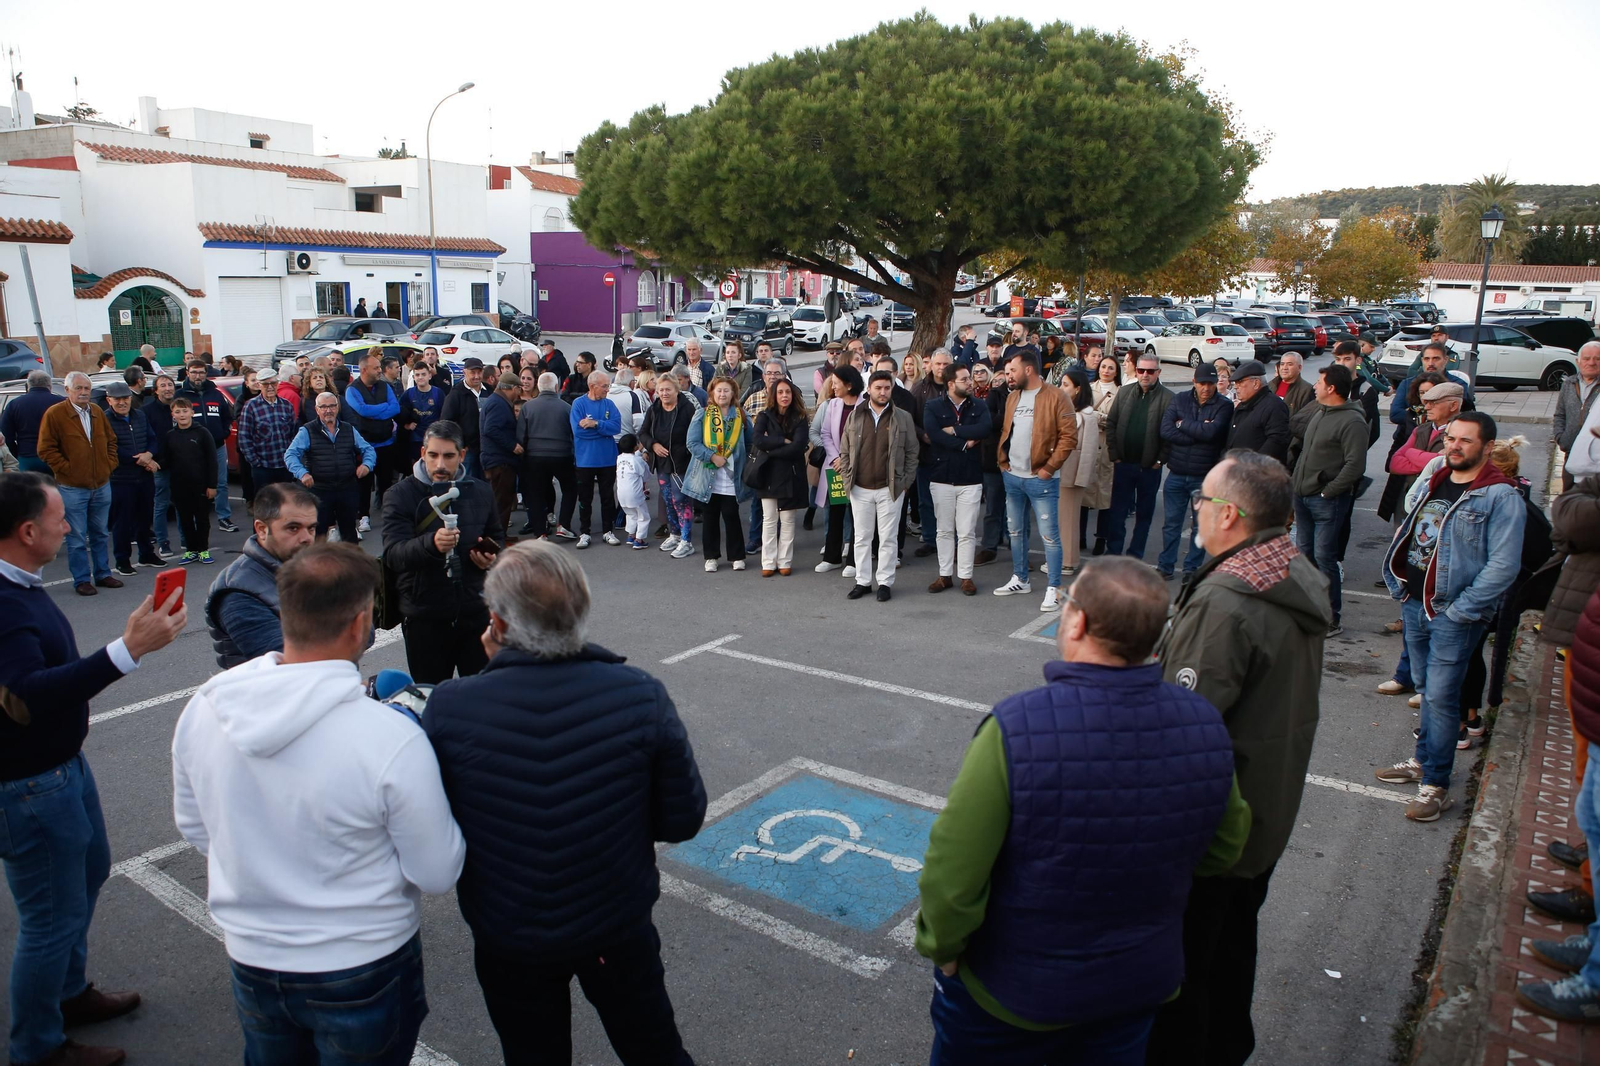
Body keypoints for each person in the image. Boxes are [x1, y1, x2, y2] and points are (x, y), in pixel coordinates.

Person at [918, 557, 1246, 1066]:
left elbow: (952, 872)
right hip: (1135, 987)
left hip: (1013, 994)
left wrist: (944, 948)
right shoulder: (1204, 722)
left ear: (1079, 622)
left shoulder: (1016, 727)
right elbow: (1223, 846)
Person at [173, 542, 464, 1064]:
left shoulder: (206, 705)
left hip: (251, 953)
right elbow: (437, 872)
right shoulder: (390, 737)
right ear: (359, 626)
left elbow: (195, 827)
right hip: (363, 959)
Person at [421, 540, 705, 1064]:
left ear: (498, 625)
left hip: (510, 932)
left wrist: (495, 671)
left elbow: (440, 828)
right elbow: (682, 818)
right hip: (615, 922)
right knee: (654, 1048)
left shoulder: (451, 707)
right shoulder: (638, 694)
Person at [1147, 450, 1330, 1066]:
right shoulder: (1284, 565)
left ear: (1228, 515)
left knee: (1186, 972)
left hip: (1217, 827)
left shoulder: (1227, 600)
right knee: (1230, 953)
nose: (1195, 507)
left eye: (1202, 498)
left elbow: (1181, 727)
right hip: (1264, 809)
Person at [0, 471, 187, 1066]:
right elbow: (28, 693)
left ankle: (68, 993)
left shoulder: (20, 583)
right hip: (30, 786)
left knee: (86, 877)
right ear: (28, 531)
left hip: (60, 768)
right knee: (49, 919)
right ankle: (39, 1046)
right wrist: (127, 651)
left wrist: (126, 642)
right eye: (59, 517)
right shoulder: (3, 605)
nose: (69, 524)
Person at [1373, 411, 1526, 820]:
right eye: (1450, 439)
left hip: (1452, 614)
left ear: (1487, 448)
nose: (1453, 446)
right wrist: (1403, 586)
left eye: (1465, 441)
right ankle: (1424, 760)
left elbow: (1503, 566)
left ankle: (1436, 785)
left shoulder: (1500, 495)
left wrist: (1461, 611)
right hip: (1415, 602)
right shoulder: (1440, 479)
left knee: (1441, 699)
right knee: (1425, 688)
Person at [1519, 471, 1600, 980]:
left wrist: (1583, 489)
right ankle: (1589, 865)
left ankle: (1593, 966)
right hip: (1586, 657)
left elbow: (1573, 517)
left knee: (1593, 790)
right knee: (1588, 794)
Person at [382, 420, 503, 684]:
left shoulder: (481, 491)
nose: (440, 465)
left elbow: (497, 536)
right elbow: (393, 555)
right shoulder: (400, 495)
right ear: (422, 453)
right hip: (425, 617)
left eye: (448, 456)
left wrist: (490, 557)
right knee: (433, 697)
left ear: (462, 455)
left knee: (482, 696)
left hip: (475, 613)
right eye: (433, 455)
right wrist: (432, 544)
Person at [1289, 364, 1368, 637]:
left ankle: (1331, 618)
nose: (1314, 386)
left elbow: (1355, 465)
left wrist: (1329, 491)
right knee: (1304, 556)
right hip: (1303, 496)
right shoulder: (1320, 412)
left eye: (1319, 382)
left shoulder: (1352, 421)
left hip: (1326, 502)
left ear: (1331, 388)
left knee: (1324, 558)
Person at [204, 482, 319, 669]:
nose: (307, 538)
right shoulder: (236, 592)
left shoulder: (307, 568)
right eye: (293, 528)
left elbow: (364, 632)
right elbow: (291, 665)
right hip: (267, 695)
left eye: (311, 528)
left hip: (315, 690)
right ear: (262, 529)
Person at [37, 372, 122, 597]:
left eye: (86, 388)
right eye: (78, 388)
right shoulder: (55, 414)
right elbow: (45, 449)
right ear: (67, 390)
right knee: (76, 537)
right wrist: (68, 469)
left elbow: (111, 441)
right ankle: (82, 579)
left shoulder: (96, 412)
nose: (84, 392)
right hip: (72, 487)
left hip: (101, 484)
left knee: (101, 533)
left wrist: (109, 464)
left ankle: (103, 573)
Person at [838, 370, 919, 601]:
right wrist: (847, 480)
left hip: (890, 488)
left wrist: (905, 483)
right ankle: (862, 581)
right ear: (869, 389)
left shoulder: (902, 417)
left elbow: (913, 452)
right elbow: (845, 450)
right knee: (862, 537)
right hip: (860, 488)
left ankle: (884, 582)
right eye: (878, 388)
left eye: (887, 388)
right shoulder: (856, 415)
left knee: (888, 538)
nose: (883, 392)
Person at [1157, 362, 1234, 581]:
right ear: (1194, 382)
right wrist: (1199, 431)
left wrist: (1183, 424)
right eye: (1202, 383)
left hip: (1205, 476)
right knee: (1171, 523)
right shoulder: (1179, 399)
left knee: (1201, 526)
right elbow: (1166, 430)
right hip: (1177, 473)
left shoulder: (1224, 405)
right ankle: (1166, 565)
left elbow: (1212, 433)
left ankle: (1192, 568)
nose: (1207, 388)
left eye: (1210, 384)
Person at [924, 362, 991, 596]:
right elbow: (933, 434)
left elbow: (985, 428)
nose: (970, 382)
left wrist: (954, 430)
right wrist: (964, 443)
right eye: (965, 380)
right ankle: (944, 576)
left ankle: (965, 577)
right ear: (951, 384)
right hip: (941, 476)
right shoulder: (933, 406)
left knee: (966, 531)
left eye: (970, 379)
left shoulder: (979, 406)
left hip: (970, 478)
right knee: (943, 530)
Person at [1101, 352, 1172, 560]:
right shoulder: (1124, 392)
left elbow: (1169, 436)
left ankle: (1135, 554)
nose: (1145, 375)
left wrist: (1160, 461)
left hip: (1149, 468)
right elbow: (1112, 424)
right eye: (1141, 370)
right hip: (1123, 464)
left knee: (1144, 515)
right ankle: (1113, 551)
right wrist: (1114, 454)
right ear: (1137, 370)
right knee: (1117, 512)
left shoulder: (1168, 398)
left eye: (1150, 371)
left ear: (1158, 372)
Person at [284, 392, 375, 545]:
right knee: (318, 534)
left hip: (347, 487)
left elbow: (368, 449)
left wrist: (366, 465)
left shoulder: (348, 429)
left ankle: (351, 566)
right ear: (316, 409)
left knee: (349, 533)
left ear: (337, 407)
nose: (328, 410)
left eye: (332, 406)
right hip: (320, 489)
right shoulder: (307, 430)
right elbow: (290, 455)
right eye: (323, 407)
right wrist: (302, 473)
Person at [684, 376, 754, 573]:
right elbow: (692, 443)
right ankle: (711, 556)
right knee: (710, 517)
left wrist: (742, 460)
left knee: (731, 515)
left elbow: (750, 443)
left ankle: (737, 556)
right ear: (712, 393)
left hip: (732, 476)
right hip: (708, 474)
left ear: (733, 394)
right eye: (719, 390)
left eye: (726, 391)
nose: (722, 394)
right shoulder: (703, 414)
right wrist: (712, 456)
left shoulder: (741, 415)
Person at [101, 381, 164, 576]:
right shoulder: (104, 420)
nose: (122, 402)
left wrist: (149, 454)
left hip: (143, 478)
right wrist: (143, 461)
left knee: (144, 518)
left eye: (125, 398)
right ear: (108, 400)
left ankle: (146, 554)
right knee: (123, 521)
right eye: (117, 399)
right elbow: (111, 448)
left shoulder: (140, 415)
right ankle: (122, 560)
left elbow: (153, 439)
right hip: (121, 478)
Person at [751, 377, 810, 576]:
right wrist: (782, 440)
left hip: (791, 474)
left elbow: (799, 446)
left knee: (787, 519)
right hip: (768, 474)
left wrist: (772, 447)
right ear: (774, 395)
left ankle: (785, 561)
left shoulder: (800, 417)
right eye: (780, 392)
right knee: (769, 519)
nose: (784, 396)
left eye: (788, 392)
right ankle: (768, 562)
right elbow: (758, 440)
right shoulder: (764, 416)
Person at [814, 365, 865, 576]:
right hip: (835, 468)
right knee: (835, 512)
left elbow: (868, 438)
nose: (832, 387)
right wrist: (836, 457)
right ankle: (832, 557)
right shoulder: (833, 405)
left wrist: (848, 460)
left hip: (859, 469)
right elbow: (825, 434)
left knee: (857, 516)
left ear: (849, 384)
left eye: (836, 383)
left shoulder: (865, 405)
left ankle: (854, 560)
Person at [344, 350, 403, 533]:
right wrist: (382, 409)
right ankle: (364, 516)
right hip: (365, 446)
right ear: (364, 370)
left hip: (386, 443)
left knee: (386, 482)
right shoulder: (352, 390)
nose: (380, 370)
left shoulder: (385, 387)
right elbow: (362, 410)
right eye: (376, 367)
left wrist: (376, 411)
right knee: (364, 484)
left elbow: (395, 408)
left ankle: (388, 514)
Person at [641, 375, 699, 560]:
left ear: (676, 390)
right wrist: (653, 445)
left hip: (682, 462)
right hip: (662, 463)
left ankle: (686, 541)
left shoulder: (687, 408)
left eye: (668, 389)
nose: (664, 393)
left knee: (681, 500)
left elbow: (696, 433)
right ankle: (674, 534)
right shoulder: (654, 409)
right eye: (661, 390)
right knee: (667, 499)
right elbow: (642, 433)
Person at [176, 360, 237, 532]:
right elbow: (175, 420)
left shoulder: (216, 394)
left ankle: (224, 518)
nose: (198, 376)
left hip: (217, 446)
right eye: (194, 372)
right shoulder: (181, 395)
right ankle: (196, 520)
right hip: (192, 450)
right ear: (187, 372)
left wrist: (224, 432)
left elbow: (227, 417)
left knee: (221, 483)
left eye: (201, 372)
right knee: (195, 486)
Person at [518, 371, 578, 541]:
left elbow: (522, 435)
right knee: (570, 488)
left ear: (538, 386)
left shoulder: (528, 407)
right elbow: (573, 433)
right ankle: (564, 525)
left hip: (534, 456)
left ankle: (540, 532)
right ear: (556, 387)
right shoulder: (566, 407)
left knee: (536, 493)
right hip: (562, 454)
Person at [1056, 367, 1103, 575]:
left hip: (1072, 474)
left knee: (1069, 517)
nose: (1061, 388)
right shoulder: (1066, 410)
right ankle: (1065, 559)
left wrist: (1081, 479)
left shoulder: (1088, 416)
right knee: (1062, 517)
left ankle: (1068, 561)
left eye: (1066, 385)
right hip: (1060, 471)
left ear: (1078, 388)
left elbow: (1090, 451)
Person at [163, 396, 219, 564]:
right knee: (185, 519)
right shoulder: (170, 436)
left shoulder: (202, 433)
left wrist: (212, 485)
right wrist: (152, 463)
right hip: (179, 485)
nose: (182, 415)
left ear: (192, 413)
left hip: (201, 485)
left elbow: (212, 460)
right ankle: (191, 550)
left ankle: (203, 549)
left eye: (185, 411)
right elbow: (166, 460)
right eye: (178, 412)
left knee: (202, 519)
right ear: (172, 414)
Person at [971, 361, 1010, 567]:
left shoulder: (1029, 395)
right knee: (993, 507)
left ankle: (1017, 548)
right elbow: (989, 422)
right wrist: (1011, 417)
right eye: (1005, 373)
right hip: (993, 459)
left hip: (1020, 462)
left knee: (1016, 510)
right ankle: (989, 548)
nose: (1008, 377)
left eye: (1011, 372)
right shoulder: (995, 395)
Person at [234, 367, 297, 493]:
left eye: (273, 383)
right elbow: (244, 438)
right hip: (263, 468)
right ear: (259, 385)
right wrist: (256, 462)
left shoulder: (286, 405)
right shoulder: (250, 406)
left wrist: (291, 458)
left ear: (278, 384)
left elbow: (293, 434)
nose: (270, 387)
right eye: (265, 384)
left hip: (284, 466)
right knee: (265, 505)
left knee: (285, 503)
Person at [1223, 360, 1289, 465]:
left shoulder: (1274, 406)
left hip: (1256, 474)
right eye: (1235, 383)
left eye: (1240, 382)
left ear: (1256, 383)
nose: (1236, 386)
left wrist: (1254, 466)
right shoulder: (1243, 404)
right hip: (1237, 470)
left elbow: (1276, 442)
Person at [479, 376, 522, 534]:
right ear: (511, 387)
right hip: (499, 461)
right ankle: (497, 538)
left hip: (496, 460)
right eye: (518, 389)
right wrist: (512, 446)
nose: (519, 393)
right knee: (500, 502)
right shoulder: (498, 403)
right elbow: (491, 429)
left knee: (501, 501)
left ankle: (500, 535)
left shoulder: (496, 401)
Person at [1556, 341, 1600, 491]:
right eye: (1587, 358)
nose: (1592, 363)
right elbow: (1560, 414)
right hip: (1571, 451)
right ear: (1578, 361)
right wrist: (1561, 438)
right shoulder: (1568, 383)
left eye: (1597, 359)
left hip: (1595, 459)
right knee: (1569, 498)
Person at [144, 374, 178, 555]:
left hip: (181, 464)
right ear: (155, 390)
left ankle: (188, 540)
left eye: (170, 385)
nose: (167, 388)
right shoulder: (147, 411)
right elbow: (146, 439)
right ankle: (163, 542)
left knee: (183, 504)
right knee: (161, 505)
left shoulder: (180, 407)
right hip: (160, 466)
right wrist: (152, 460)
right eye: (163, 385)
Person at [1, 369, 60, 474]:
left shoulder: (14, 404)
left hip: (26, 457)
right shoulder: (61, 403)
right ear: (50, 386)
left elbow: (7, 436)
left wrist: (17, 453)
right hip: (56, 456)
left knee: (29, 489)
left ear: (28, 386)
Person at [441, 357, 489, 478]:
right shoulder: (456, 394)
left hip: (486, 448)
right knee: (467, 482)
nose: (476, 376)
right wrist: (460, 444)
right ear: (464, 372)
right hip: (467, 450)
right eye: (473, 372)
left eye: (479, 372)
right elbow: (447, 422)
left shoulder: (489, 391)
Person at [401, 360, 444, 468]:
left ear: (429, 375)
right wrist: (406, 425)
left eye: (423, 374)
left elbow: (445, 414)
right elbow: (399, 413)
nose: (420, 377)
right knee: (418, 467)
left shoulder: (438, 393)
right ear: (414, 377)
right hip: (416, 438)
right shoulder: (409, 394)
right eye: (417, 375)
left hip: (433, 437)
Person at [615, 433, 653, 549]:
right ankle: (639, 539)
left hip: (621, 495)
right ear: (636, 447)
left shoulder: (619, 458)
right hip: (635, 494)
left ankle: (631, 535)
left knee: (631, 514)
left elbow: (632, 457)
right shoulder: (638, 460)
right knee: (643, 516)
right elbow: (646, 475)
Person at [1267, 351, 1314, 417]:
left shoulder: (1307, 390)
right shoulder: (1270, 385)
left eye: (1290, 364)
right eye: (1282, 364)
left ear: (1299, 368)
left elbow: (1305, 418)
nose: (1284, 368)